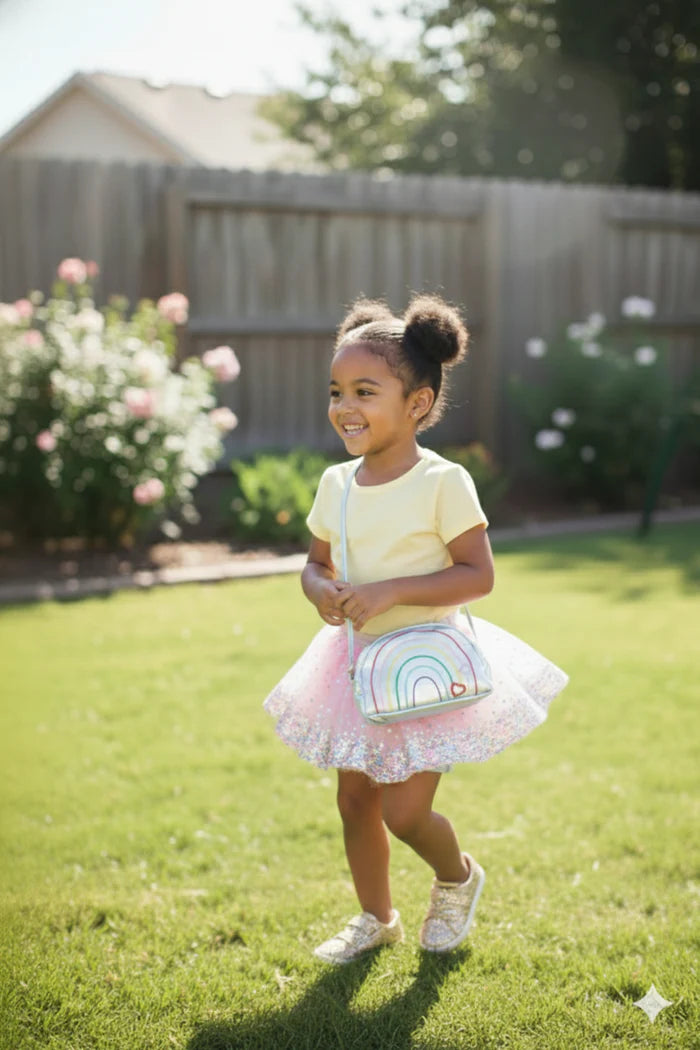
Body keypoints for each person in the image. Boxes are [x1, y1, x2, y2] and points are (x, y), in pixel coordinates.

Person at [264, 294, 568, 965]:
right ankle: (376, 918)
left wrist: (391, 590)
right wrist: (321, 592)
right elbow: (314, 564)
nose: (345, 406)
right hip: (355, 663)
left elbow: (477, 575)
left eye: (365, 392)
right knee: (354, 801)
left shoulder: (442, 481)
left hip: (428, 668)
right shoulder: (337, 485)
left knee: (403, 813)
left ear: (418, 403)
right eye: (336, 391)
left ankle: (457, 877)